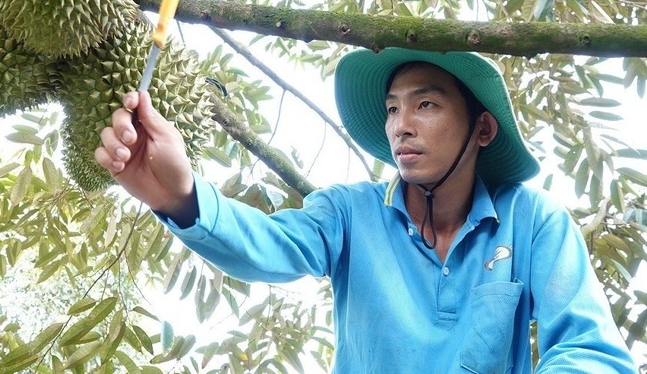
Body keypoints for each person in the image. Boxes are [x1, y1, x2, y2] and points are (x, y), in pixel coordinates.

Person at [95, 47, 637, 373]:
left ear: (482, 128)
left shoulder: (534, 222)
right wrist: (178, 195)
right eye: (392, 108)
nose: (401, 124)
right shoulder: (348, 213)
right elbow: (268, 245)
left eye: (426, 104)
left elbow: (590, 350)